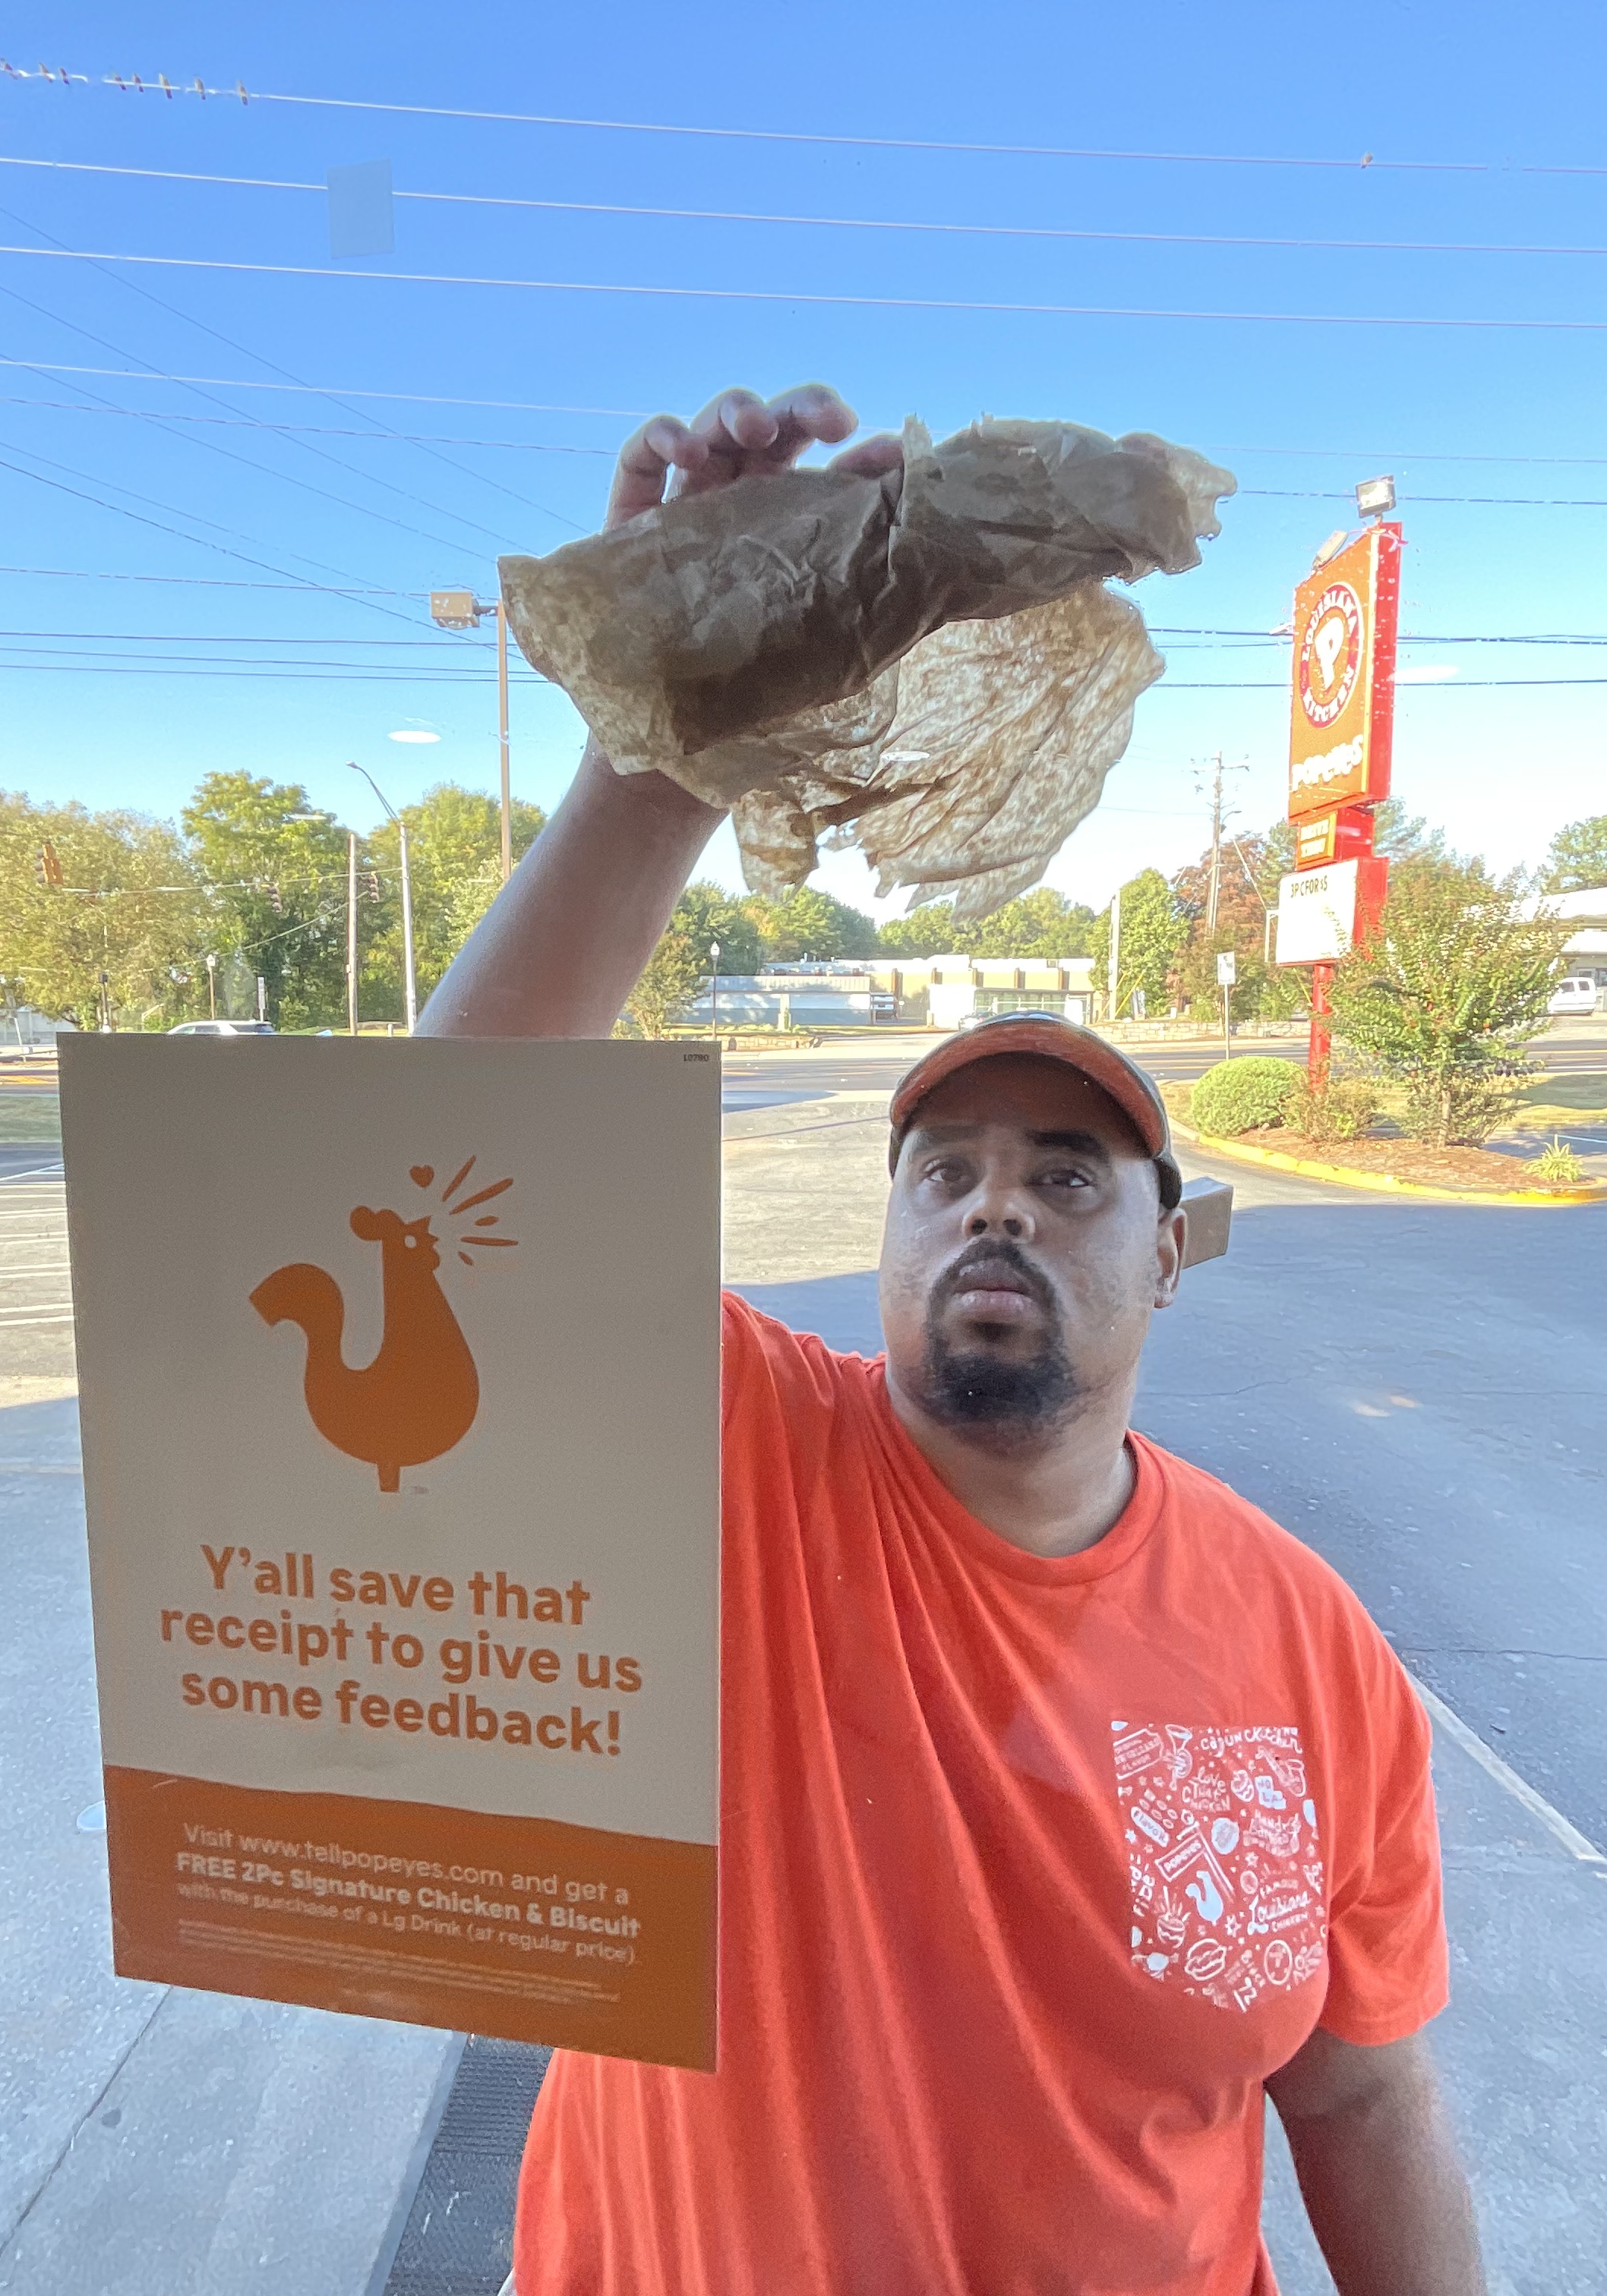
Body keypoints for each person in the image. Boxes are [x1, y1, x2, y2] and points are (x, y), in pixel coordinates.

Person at [425, 385, 1484, 2296]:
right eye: (949, 1173)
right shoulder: (732, 1456)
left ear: (1175, 1257)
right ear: (892, 1232)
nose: (999, 1205)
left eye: (1072, 1178)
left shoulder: (1311, 1652)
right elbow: (436, 1170)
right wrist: (682, 714)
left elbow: (1363, 2105)